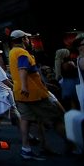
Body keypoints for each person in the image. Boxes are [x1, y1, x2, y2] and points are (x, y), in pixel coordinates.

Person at [9, 29, 65, 159]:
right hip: (34, 93)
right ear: (23, 40)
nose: (28, 40)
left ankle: (27, 148)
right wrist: (25, 86)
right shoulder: (22, 53)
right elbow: (23, 69)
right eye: (26, 38)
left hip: (20, 93)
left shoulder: (12, 52)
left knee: (28, 120)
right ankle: (74, 146)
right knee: (56, 118)